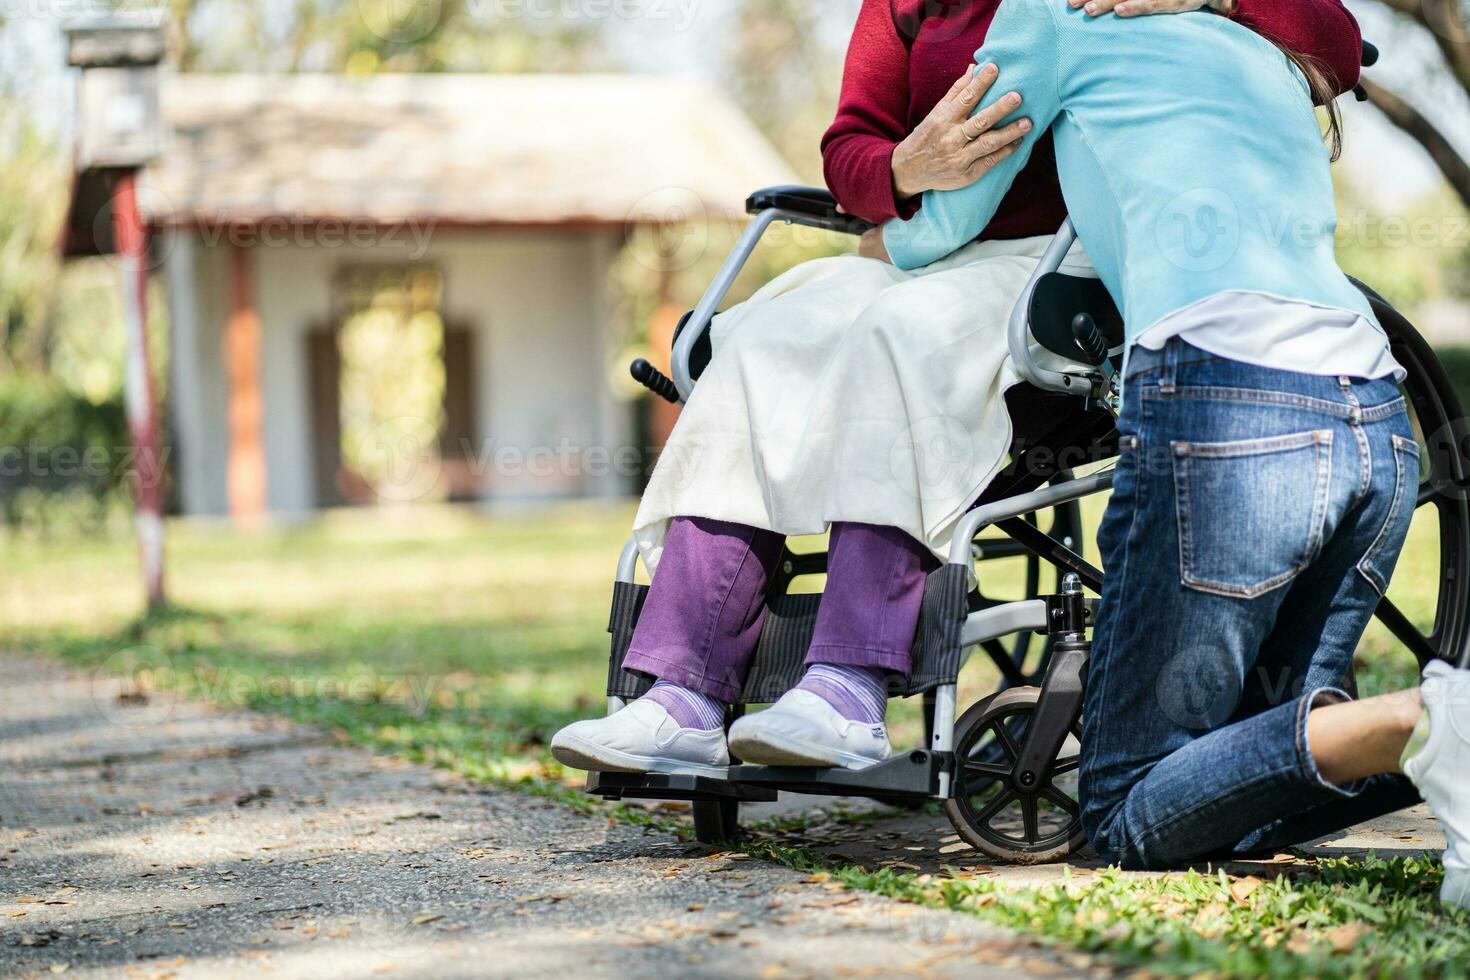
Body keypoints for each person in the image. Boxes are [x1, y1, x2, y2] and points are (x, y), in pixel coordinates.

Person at [551, 0, 1365, 779]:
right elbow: (851, 149)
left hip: (1062, 269)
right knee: (763, 340)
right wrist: (902, 167)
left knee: (903, 336)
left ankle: (847, 688)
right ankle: (684, 695)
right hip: (922, 245)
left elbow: (1331, 37)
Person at [871, 0, 1470, 903]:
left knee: (1119, 812)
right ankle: (1445, 733)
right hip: (1378, 419)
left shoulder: (1050, 14)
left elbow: (958, 203)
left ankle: (1434, 720)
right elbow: (1339, 40)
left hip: (1229, 408)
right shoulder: (1259, 43)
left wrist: (890, 237)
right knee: (1252, 785)